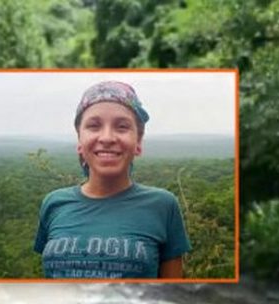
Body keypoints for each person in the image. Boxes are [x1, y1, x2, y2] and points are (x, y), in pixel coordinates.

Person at [33, 81, 191, 279]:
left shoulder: (163, 206)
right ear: (79, 141)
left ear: (138, 142)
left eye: (122, 127)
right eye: (93, 126)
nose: (107, 137)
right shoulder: (54, 204)